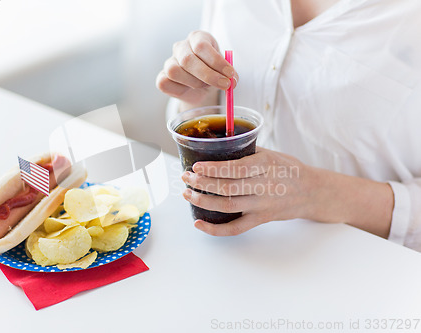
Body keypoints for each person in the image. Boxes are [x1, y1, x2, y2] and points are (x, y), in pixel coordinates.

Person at [156, 0, 421, 251]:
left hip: (372, 267)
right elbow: (214, 105)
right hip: (238, 252)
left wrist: (312, 191)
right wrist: (195, 94)